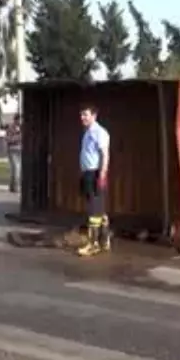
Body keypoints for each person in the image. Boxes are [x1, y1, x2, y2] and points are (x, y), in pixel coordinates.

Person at [77, 104, 111, 257]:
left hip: (95, 173)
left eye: (86, 114)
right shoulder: (87, 132)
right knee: (99, 208)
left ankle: (93, 244)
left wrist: (102, 174)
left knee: (94, 210)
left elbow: (105, 154)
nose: (83, 117)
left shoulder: (99, 132)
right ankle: (104, 240)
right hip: (87, 173)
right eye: (82, 115)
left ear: (94, 116)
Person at [5, 114, 22, 193]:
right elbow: (8, 139)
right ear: (15, 120)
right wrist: (18, 137)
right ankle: (16, 187)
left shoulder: (22, 128)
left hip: (20, 150)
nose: (19, 122)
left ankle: (12, 187)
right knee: (16, 169)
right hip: (12, 150)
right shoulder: (10, 128)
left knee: (15, 170)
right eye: (18, 120)